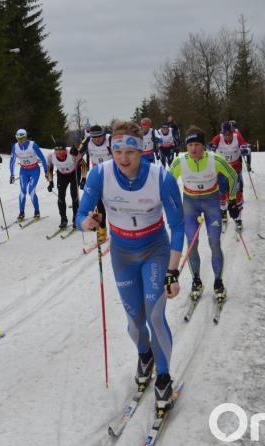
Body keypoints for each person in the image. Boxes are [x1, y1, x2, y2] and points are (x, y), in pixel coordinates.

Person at [76, 120, 184, 415]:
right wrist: (87, 222)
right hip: (122, 253)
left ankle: (163, 376)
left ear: (143, 150)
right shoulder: (100, 174)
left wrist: (173, 272)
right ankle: (144, 354)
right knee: (135, 321)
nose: (124, 158)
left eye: (131, 153)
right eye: (118, 151)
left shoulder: (161, 177)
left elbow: (177, 226)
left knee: (155, 313)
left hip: (155, 251)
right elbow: (81, 214)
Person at [169, 126, 239, 303]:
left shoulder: (215, 159)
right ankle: (196, 281)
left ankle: (218, 282)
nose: (193, 149)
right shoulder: (180, 161)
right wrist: (173, 207)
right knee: (192, 244)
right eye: (190, 145)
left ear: (204, 146)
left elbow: (233, 176)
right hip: (190, 203)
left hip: (211, 202)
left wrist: (232, 200)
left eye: (197, 144)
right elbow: (167, 184)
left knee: (214, 243)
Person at [210, 121, 249, 231]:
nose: (227, 136)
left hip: (236, 169)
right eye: (225, 134)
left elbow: (247, 148)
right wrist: (211, 150)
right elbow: (210, 148)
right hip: (222, 170)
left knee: (237, 193)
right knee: (222, 192)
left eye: (229, 134)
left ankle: (238, 218)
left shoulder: (238, 136)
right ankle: (223, 212)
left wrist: (245, 150)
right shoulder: (218, 138)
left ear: (233, 132)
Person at [78, 125, 112, 242]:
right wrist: (74, 154)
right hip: (97, 174)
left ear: (103, 134)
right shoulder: (88, 140)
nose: (97, 139)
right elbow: (77, 155)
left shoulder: (111, 139)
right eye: (94, 137)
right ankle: (102, 230)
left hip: (112, 174)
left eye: (99, 136)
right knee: (99, 203)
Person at [9, 129, 48, 221]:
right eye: (18, 138)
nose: (20, 141)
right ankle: (21, 212)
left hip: (34, 170)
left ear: (26, 137)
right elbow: (12, 161)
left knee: (31, 191)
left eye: (22, 138)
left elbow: (42, 158)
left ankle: (37, 211)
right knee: (22, 192)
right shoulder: (15, 147)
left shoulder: (32, 145)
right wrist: (12, 175)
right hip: (23, 171)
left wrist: (46, 171)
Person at [46, 141, 84, 229]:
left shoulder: (72, 153)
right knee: (61, 196)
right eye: (56, 150)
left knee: (74, 194)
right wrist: (50, 182)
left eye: (61, 150)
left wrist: (84, 178)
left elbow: (84, 164)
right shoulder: (51, 156)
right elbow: (49, 169)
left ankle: (75, 219)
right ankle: (63, 220)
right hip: (62, 175)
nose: (58, 152)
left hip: (74, 173)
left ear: (65, 149)